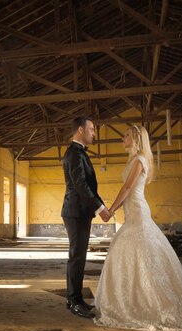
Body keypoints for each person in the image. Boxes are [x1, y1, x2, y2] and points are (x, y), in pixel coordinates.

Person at [94, 124, 182, 331]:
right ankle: (132, 299)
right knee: (131, 253)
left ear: (135, 139)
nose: (122, 139)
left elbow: (127, 187)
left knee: (142, 254)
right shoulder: (135, 159)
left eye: (125, 136)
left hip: (137, 212)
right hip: (132, 213)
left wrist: (111, 209)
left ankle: (148, 302)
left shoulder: (139, 159)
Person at [61, 116, 111, 319]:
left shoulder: (79, 153)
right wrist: (100, 208)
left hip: (80, 212)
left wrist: (102, 206)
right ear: (80, 130)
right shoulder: (73, 153)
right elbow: (81, 185)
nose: (94, 133)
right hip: (75, 212)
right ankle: (74, 301)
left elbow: (88, 186)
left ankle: (76, 299)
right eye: (91, 129)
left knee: (79, 257)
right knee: (77, 257)